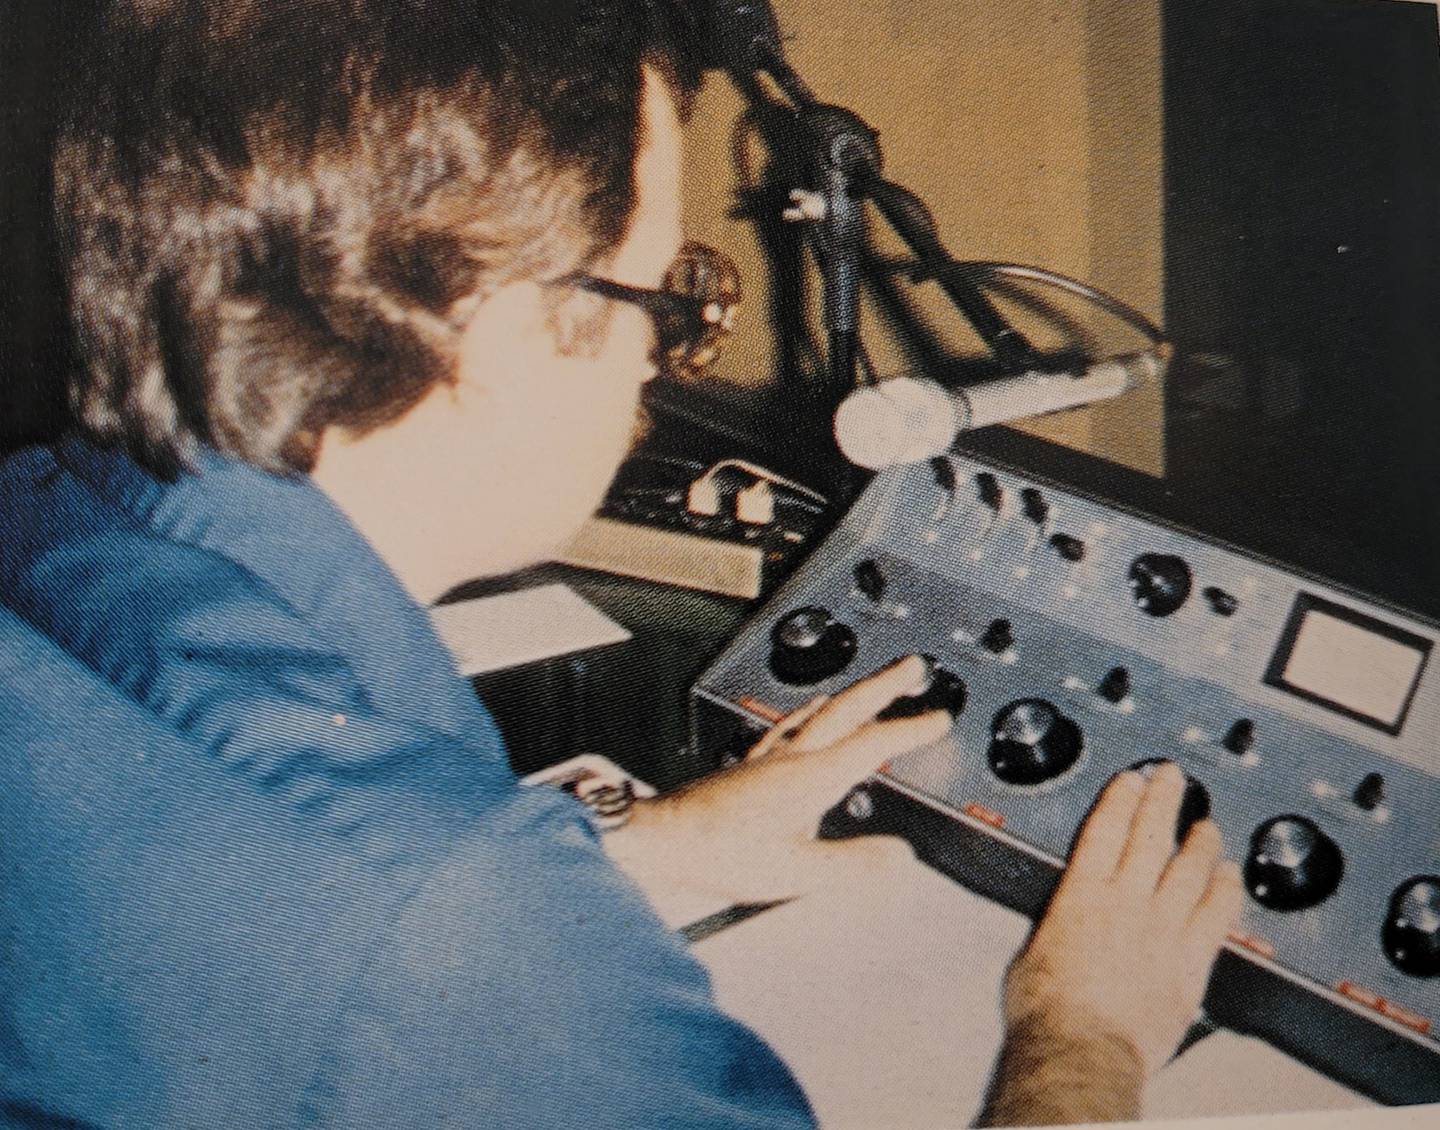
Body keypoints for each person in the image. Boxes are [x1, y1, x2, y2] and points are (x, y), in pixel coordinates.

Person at [0, 1, 1243, 1125]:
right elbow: (401, 942)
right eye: (662, 300)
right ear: (483, 323)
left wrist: (643, 850)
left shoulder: (43, 519)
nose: (658, 360)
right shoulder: (462, 933)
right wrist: (1085, 1037)